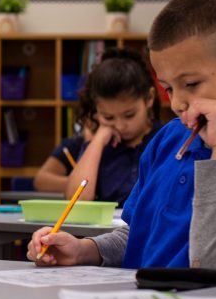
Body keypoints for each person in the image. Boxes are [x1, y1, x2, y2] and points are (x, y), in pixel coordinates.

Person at [28, 0, 216, 271]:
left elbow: (209, 266)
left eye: (191, 84)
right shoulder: (168, 140)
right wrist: (86, 249)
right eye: (167, 88)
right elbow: (139, 234)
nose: (176, 103)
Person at [62, 48, 161, 203]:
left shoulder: (166, 140)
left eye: (129, 115)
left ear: (149, 98)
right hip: (107, 228)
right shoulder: (99, 146)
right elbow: (76, 202)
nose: (120, 126)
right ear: (96, 110)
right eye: (108, 117)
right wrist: (98, 140)